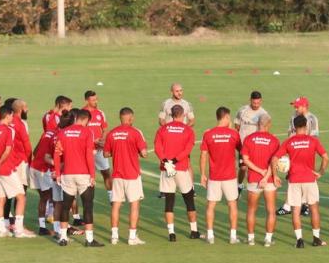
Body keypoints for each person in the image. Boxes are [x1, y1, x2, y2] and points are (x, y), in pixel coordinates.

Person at [274, 115, 329, 248]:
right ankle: (316, 239)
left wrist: (275, 175)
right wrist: (320, 172)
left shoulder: (289, 142)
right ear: (306, 126)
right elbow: (326, 157)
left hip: (294, 180)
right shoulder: (313, 141)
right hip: (310, 179)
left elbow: (275, 158)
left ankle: (299, 241)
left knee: (295, 210)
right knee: (314, 209)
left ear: (294, 126)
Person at [0, 105, 35, 238]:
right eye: (11, 115)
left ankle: (2, 230)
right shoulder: (8, 130)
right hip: (7, 169)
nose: (12, 118)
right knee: (21, 197)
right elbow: (8, 150)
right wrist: (0, 163)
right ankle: (19, 230)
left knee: (1, 200)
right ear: (7, 115)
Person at [154, 104, 199, 241]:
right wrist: (175, 160)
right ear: (183, 114)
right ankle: (194, 231)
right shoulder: (188, 130)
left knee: (169, 201)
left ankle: (171, 234)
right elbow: (187, 150)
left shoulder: (162, 129)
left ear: (171, 115)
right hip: (181, 168)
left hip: (167, 169)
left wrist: (166, 161)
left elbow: (157, 147)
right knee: (189, 199)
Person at [53, 109, 98, 246]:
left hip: (67, 174)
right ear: (86, 120)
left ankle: (63, 238)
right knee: (88, 206)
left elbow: (56, 154)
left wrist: (57, 173)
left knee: (65, 207)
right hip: (83, 174)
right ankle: (89, 240)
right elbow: (89, 155)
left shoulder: (62, 132)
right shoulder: (87, 132)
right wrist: (92, 175)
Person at [104, 107, 148, 246]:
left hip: (117, 175)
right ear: (131, 118)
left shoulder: (112, 133)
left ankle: (114, 236)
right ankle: (132, 237)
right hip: (132, 175)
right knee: (134, 205)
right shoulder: (135, 133)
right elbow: (145, 153)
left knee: (116, 205)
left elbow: (105, 154)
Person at [200, 107, 242, 244]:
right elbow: (241, 151)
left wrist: (202, 174)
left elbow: (203, 155)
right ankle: (233, 236)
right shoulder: (233, 134)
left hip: (214, 176)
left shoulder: (208, 134)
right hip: (230, 176)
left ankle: (210, 235)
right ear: (226, 117)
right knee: (232, 205)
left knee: (211, 205)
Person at [241, 114, 281, 247]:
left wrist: (259, 172)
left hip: (253, 179)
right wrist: (266, 176)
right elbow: (274, 162)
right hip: (269, 180)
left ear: (258, 124)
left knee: (251, 210)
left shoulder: (248, 139)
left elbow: (246, 160)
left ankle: (251, 239)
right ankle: (268, 240)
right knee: (271, 210)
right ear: (268, 124)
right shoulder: (274, 140)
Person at [276, 96, 319, 216]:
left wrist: (304, 146)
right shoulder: (293, 117)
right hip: (294, 150)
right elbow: (290, 134)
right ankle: (289, 205)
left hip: (306, 152)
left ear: (305, 106)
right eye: (295, 105)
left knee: (306, 178)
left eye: (297, 106)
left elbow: (314, 137)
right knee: (292, 176)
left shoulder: (312, 119)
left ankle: (303, 205)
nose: (295, 108)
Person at [234, 91, 270, 193]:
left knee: (256, 168)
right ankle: (239, 184)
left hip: (257, 145)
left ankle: (255, 188)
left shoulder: (264, 114)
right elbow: (237, 125)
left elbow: (266, 130)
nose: (256, 105)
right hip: (243, 145)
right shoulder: (242, 110)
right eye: (254, 103)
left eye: (258, 103)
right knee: (243, 168)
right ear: (250, 100)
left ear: (261, 101)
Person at [83, 90, 112, 215]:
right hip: (87, 150)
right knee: (88, 177)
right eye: (93, 99)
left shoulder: (100, 113)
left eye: (96, 99)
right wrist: (92, 141)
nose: (96, 101)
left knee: (106, 172)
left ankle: (112, 197)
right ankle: (88, 201)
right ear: (87, 100)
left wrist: (103, 140)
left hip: (100, 150)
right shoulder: (82, 113)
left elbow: (105, 129)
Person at [30, 127, 58, 236]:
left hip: (34, 167)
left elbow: (36, 151)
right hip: (44, 170)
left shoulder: (47, 133)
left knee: (44, 198)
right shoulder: (59, 136)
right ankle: (58, 227)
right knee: (56, 199)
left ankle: (42, 227)